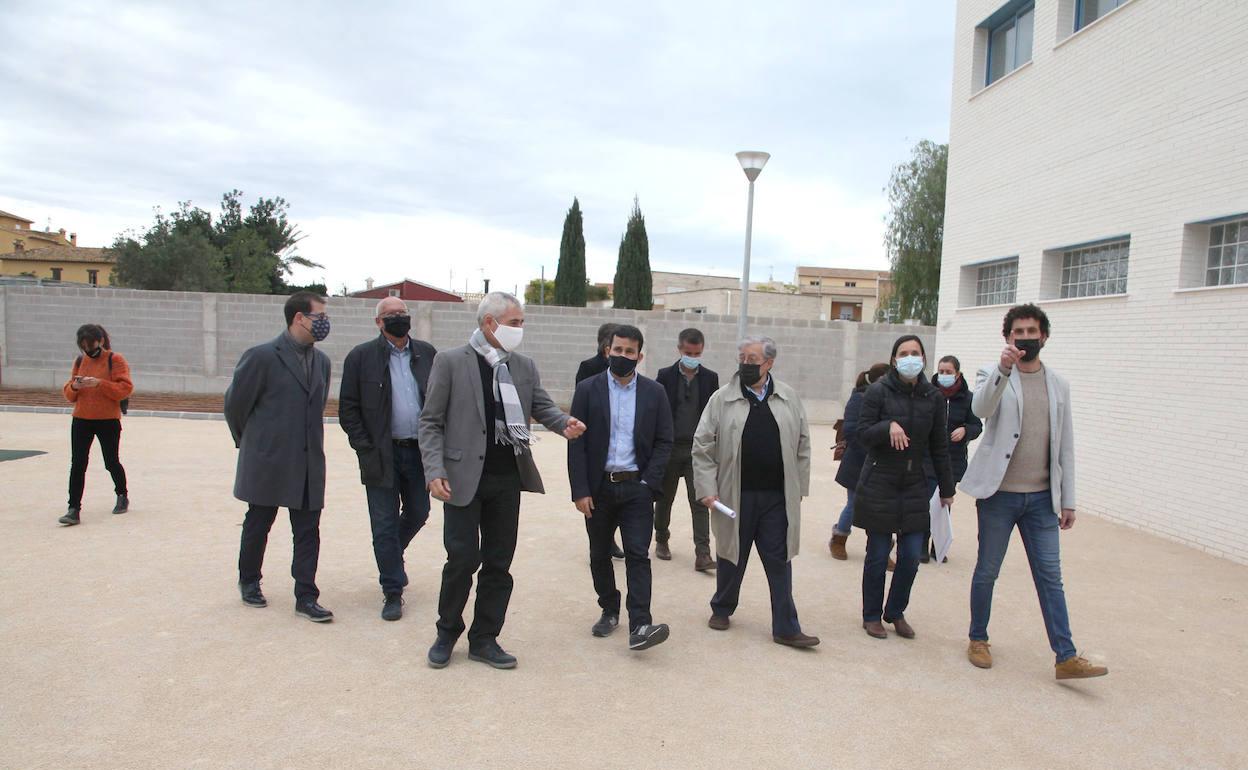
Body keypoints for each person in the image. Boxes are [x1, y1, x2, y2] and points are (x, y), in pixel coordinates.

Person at [419, 292, 586, 670]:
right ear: (489, 323)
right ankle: (447, 632)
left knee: (498, 562)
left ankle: (485, 638)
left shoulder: (523, 366)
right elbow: (430, 422)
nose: (520, 329)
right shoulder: (449, 362)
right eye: (515, 322)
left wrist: (564, 423)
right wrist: (434, 470)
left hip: (506, 478)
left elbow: (540, 405)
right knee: (461, 559)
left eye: (522, 322)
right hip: (461, 479)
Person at [960, 304, 1107, 679]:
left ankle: (1066, 656)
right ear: (1007, 337)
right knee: (987, 571)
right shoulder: (992, 374)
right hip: (999, 496)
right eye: (1018, 332)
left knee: (1050, 576)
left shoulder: (1058, 384)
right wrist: (1003, 369)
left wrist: (1068, 498)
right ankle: (978, 637)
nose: (1025, 337)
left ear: (1044, 336)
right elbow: (980, 409)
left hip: (1042, 499)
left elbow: (1065, 446)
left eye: (1032, 331)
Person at [693, 336, 820, 649]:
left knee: (779, 560)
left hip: (776, 497)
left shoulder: (788, 397)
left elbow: (803, 442)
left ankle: (786, 627)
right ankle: (722, 608)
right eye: (742, 358)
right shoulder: (722, 399)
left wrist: (798, 487)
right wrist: (707, 488)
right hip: (735, 494)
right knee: (731, 554)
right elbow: (703, 445)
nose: (746, 365)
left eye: (753, 360)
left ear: (769, 363)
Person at [225, 292, 334, 623]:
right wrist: (254, 442)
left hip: (308, 460)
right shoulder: (261, 357)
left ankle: (306, 595)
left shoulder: (323, 362)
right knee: (259, 522)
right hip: (267, 458)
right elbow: (235, 405)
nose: (324, 323)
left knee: (307, 530)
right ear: (299, 318)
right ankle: (249, 581)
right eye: (319, 317)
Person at [568, 324, 673, 651]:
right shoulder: (587, 389)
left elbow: (664, 441)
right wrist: (580, 490)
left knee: (638, 555)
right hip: (598, 489)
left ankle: (640, 623)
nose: (623, 356)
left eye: (630, 352)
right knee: (599, 553)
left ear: (639, 356)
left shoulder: (655, 393)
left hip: (636, 490)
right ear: (607, 352)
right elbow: (577, 445)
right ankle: (609, 609)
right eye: (618, 350)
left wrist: (648, 483)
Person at [338, 297, 437, 621]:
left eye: (403, 314)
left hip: (419, 451)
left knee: (419, 511)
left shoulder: (427, 354)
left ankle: (392, 557)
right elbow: (348, 409)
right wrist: (364, 446)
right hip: (380, 453)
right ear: (378, 322)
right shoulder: (361, 357)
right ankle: (392, 591)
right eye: (391, 315)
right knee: (383, 524)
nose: (399, 318)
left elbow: (439, 400)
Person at [853, 335, 955, 641]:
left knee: (911, 556)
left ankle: (895, 611)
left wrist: (947, 488)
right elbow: (862, 433)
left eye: (916, 353)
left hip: (914, 485)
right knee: (878, 554)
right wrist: (888, 427)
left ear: (923, 358)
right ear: (895, 359)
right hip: (880, 481)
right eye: (904, 353)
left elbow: (939, 446)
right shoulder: (877, 391)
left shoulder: (933, 397)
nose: (910, 358)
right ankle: (871, 615)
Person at [653, 327, 720, 570]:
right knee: (664, 498)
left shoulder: (711, 379)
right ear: (679, 349)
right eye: (688, 352)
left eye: (697, 352)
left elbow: (715, 415)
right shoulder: (664, 376)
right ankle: (661, 539)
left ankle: (703, 553)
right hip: (670, 448)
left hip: (698, 451)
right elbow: (657, 413)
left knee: (701, 500)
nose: (693, 356)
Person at [58, 324, 133, 526]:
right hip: (81, 419)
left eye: (90, 344)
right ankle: (73, 508)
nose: (87, 349)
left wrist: (99, 383)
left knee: (111, 461)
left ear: (100, 341)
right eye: (83, 346)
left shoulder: (114, 359)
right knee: (78, 464)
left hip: (108, 420)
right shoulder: (80, 361)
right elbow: (69, 395)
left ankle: (122, 494)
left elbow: (124, 388)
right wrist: (75, 386)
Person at [922, 355, 983, 563]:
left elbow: (977, 425)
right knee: (926, 502)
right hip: (928, 459)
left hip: (953, 461)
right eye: (941, 371)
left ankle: (938, 546)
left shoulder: (968, 398)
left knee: (944, 503)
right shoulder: (927, 394)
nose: (944, 375)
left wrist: (965, 430)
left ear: (958, 374)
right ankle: (921, 544)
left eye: (949, 372)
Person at [829, 363, 889, 561]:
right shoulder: (858, 398)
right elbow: (851, 431)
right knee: (854, 503)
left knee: (884, 507)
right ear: (878, 380)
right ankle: (839, 539)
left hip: (884, 465)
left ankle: (881, 550)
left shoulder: (892, 400)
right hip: (858, 463)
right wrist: (873, 449)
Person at [576, 322, 626, 560]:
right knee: (593, 501)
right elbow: (581, 405)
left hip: (618, 442)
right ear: (605, 346)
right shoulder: (588, 368)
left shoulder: (627, 371)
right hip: (594, 438)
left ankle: (610, 539)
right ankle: (597, 543)